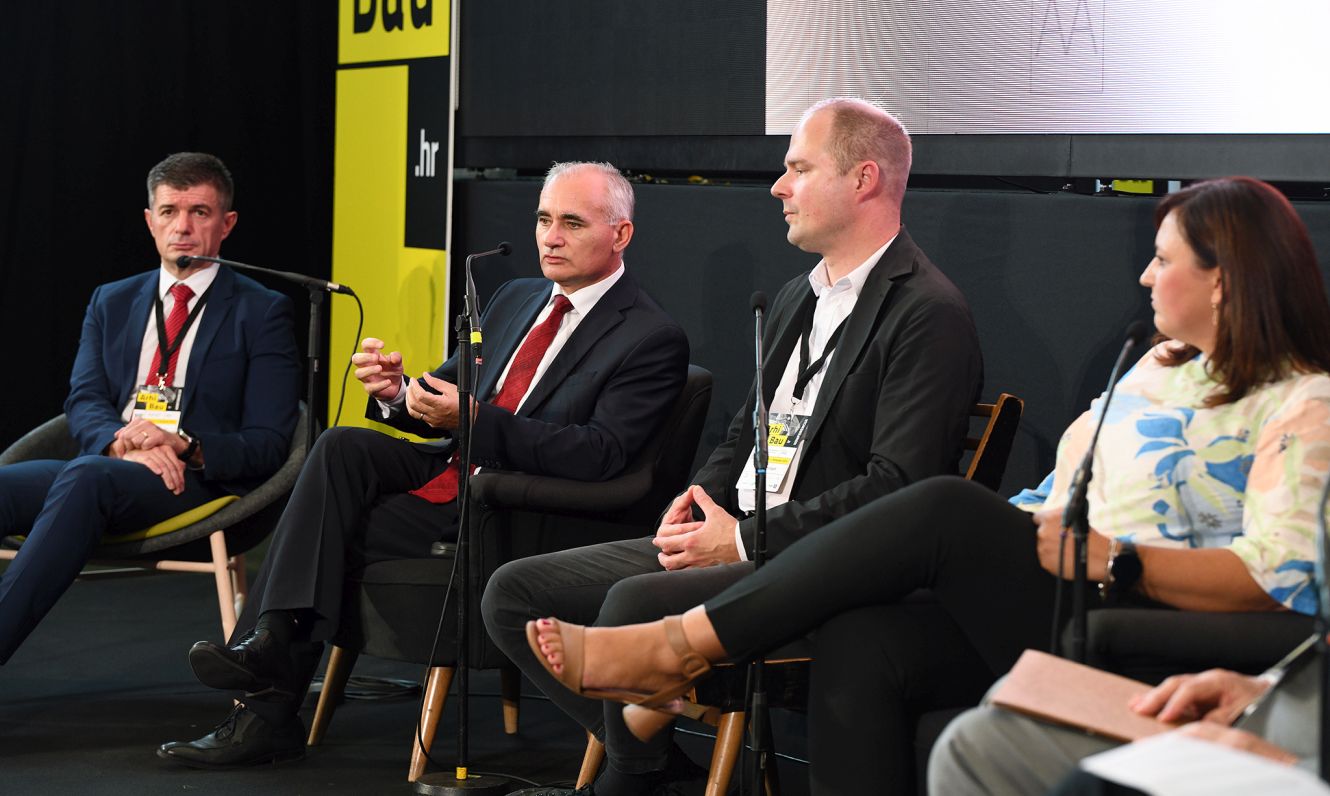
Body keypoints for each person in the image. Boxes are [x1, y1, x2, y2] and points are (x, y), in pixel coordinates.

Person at [522, 176, 1330, 794]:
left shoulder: (1302, 404)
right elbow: (1058, 492)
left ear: (1223, 280)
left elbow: (1283, 581)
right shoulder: (1155, 367)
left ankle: (682, 647)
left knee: (943, 504)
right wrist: (1007, 537)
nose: (1146, 277)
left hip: (1136, 617)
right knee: (862, 635)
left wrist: (1117, 560)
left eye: (1163, 260)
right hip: (1049, 579)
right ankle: (680, 650)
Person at [484, 98, 983, 796]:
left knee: (632, 602)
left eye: (799, 169)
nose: (778, 187)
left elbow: (899, 487)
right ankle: (655, 770)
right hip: (737, 531)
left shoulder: (927, 312)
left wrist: (744, 541)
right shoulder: (798, 296)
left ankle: (625, 783)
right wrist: (698, 501)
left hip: (818, 561)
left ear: (863, 179)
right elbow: (746, 430)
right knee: (513, 594)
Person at [156, 161, 690, 769]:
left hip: (518, 506)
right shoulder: (517, 298)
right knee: (341, 447)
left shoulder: (649, 335)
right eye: (544, 219)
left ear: (620, 234)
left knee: (324, 533)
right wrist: (398, 392)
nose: (551, 237)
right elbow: (446, 394)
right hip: (450, 479)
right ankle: (271, 651)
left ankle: (266, 694)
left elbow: (601, 455)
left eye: (572, 223)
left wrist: (474, 421)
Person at [0, 152, 301, 664]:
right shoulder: (111, 300)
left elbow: (271, 440)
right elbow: (85, 398)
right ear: (149, 220)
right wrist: (122, 441)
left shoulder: (261, 310)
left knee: (87, 476)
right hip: (112, 460)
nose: (182, 227)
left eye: (199, 212)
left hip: (193, 479)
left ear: (227, 223)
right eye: (169, 211)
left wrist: (186, 444)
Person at [928, 645, 1318, 794]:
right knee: (994, 724)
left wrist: (1295, 770)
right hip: (1280, 711)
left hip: (1301, 769)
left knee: (973, 746)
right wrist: (1264, 686)